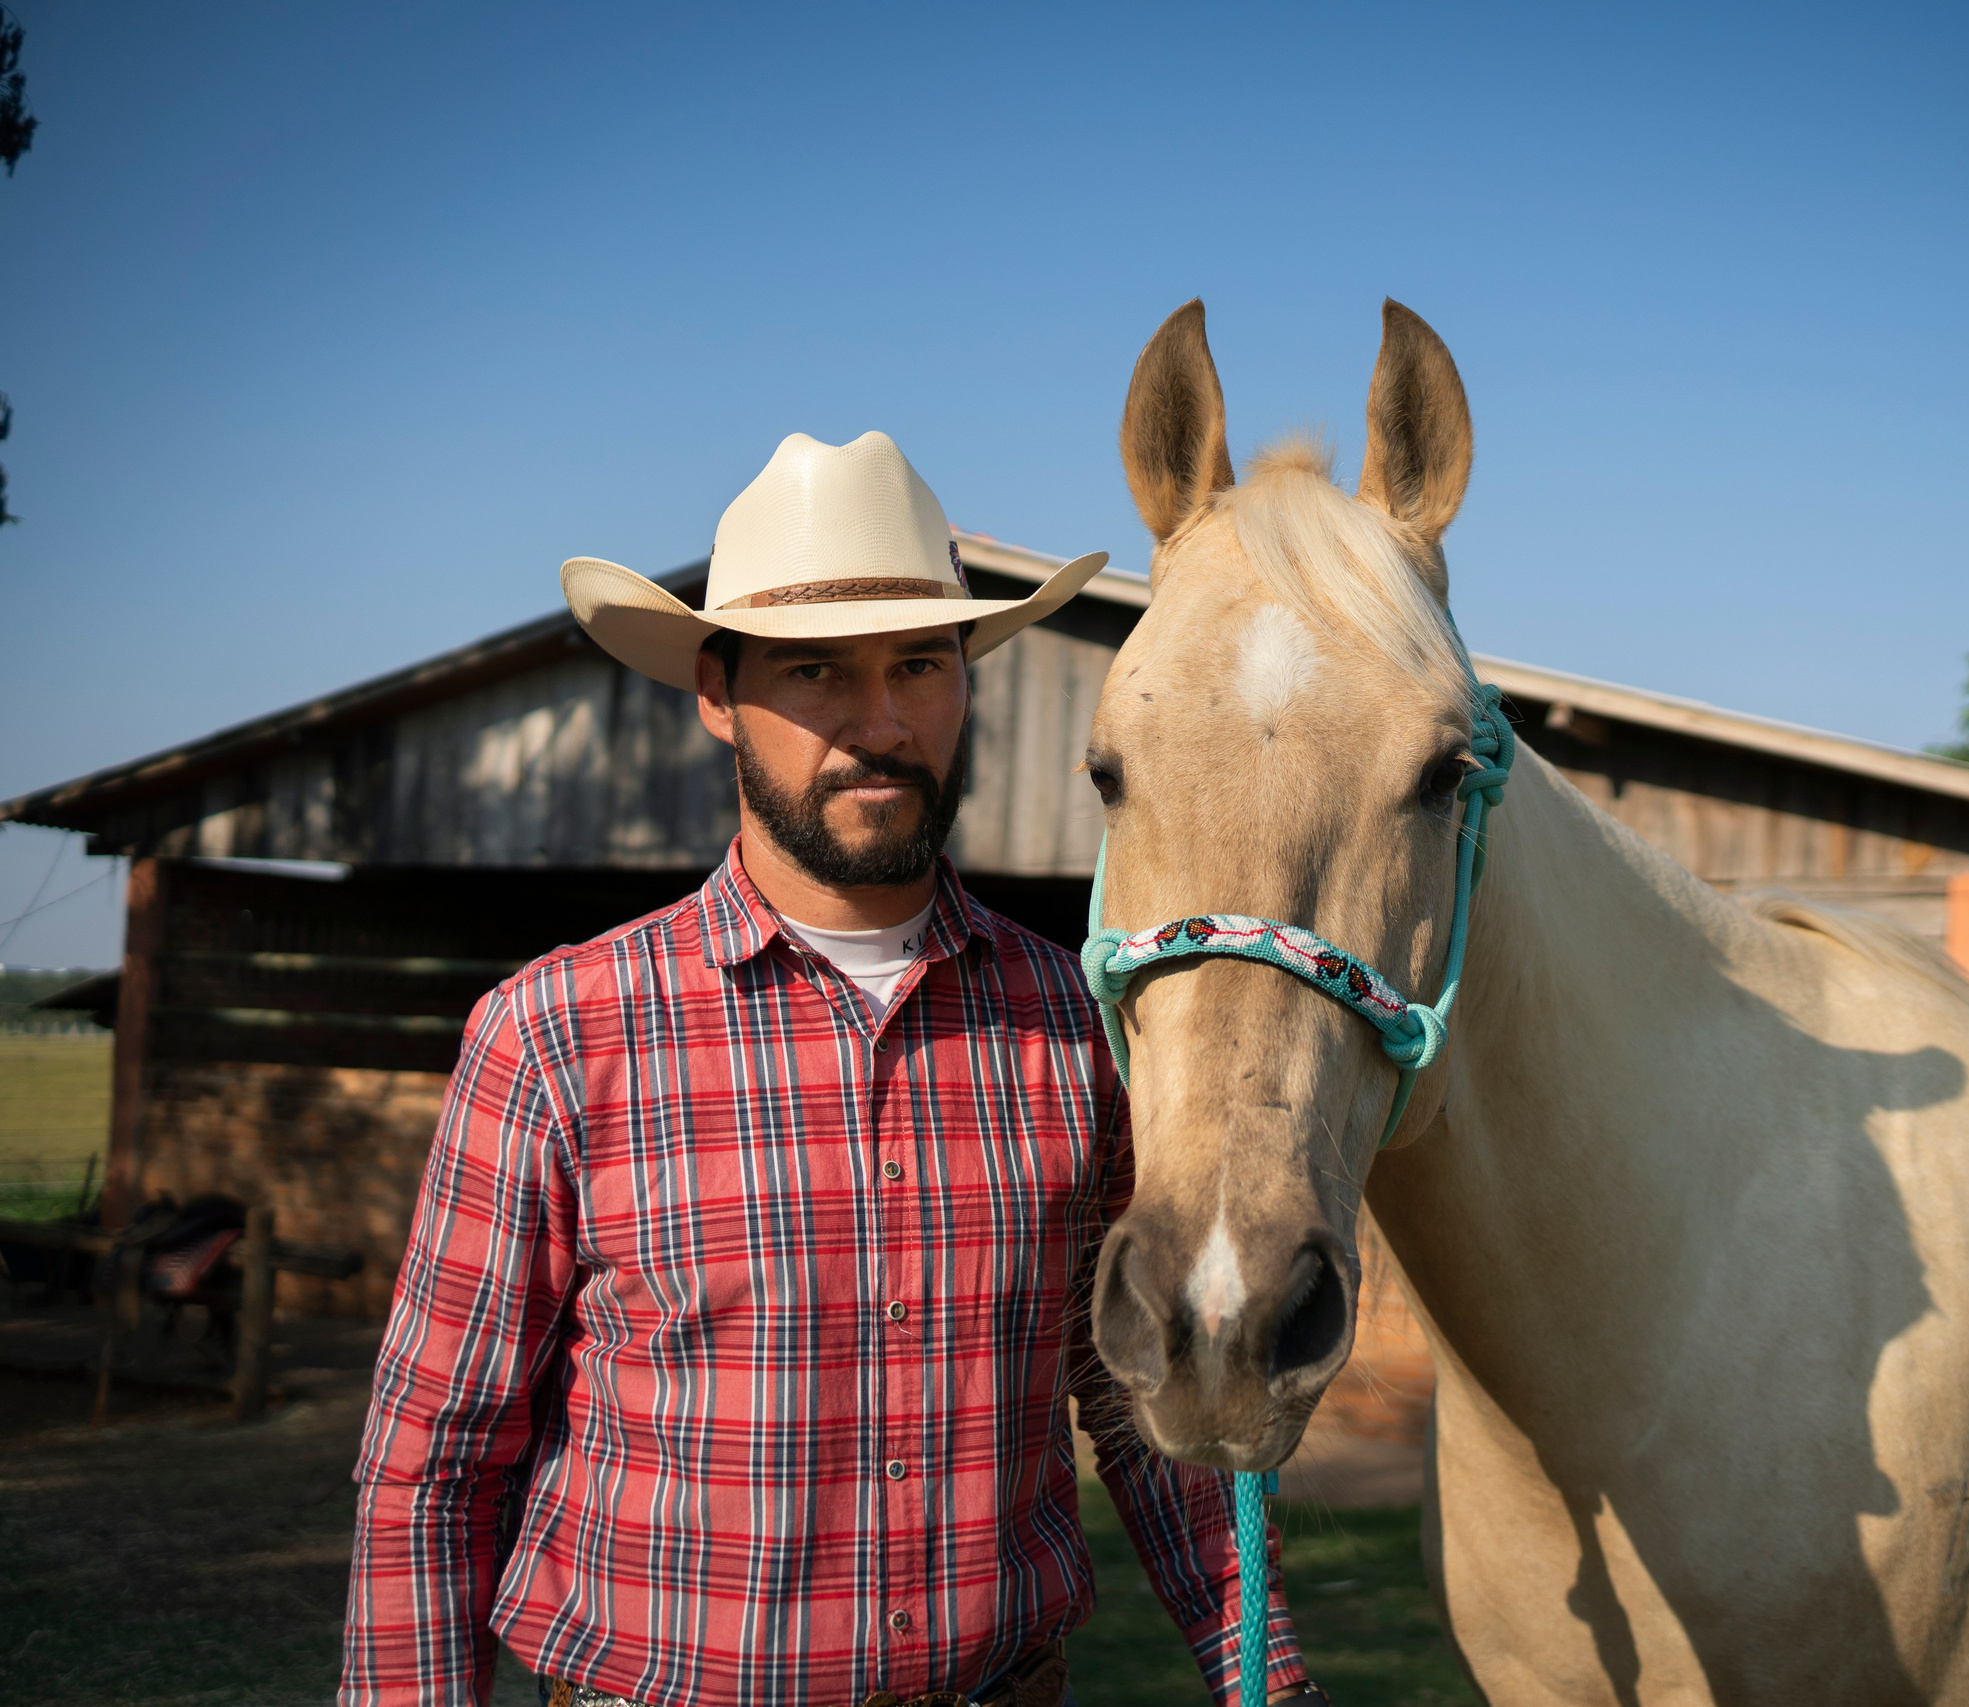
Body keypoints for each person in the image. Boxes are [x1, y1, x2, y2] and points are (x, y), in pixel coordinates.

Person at [341, 432, 1322, 1707]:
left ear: (966, 682)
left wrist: (1265, 1676)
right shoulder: (558, 1033)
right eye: (815, 672)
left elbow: (1137, 1394)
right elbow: (436, 1459)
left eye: (920, 664)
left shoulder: (1074, 1023)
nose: (879, 723)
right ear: (716, 692)